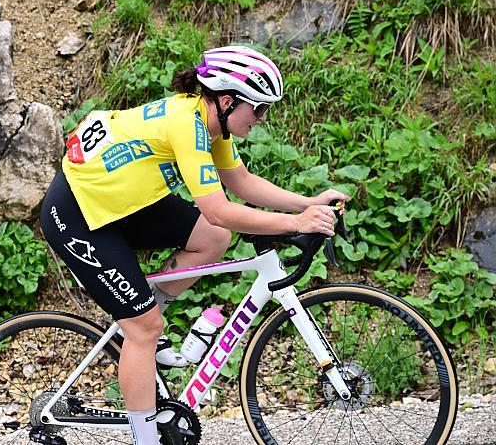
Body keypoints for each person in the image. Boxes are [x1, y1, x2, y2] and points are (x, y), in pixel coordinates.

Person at [40, 45, 349, 444]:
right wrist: (295, 222)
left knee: (211, 238)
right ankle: (145, 425)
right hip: (78, 213)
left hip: (118, 202)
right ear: (227, 100)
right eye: (258, 108)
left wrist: (308, 203)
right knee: (145, 327)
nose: (262, 118)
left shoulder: (209, 122)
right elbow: (220, 208)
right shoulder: (187, 126)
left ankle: (135, 322)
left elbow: (241, 183)